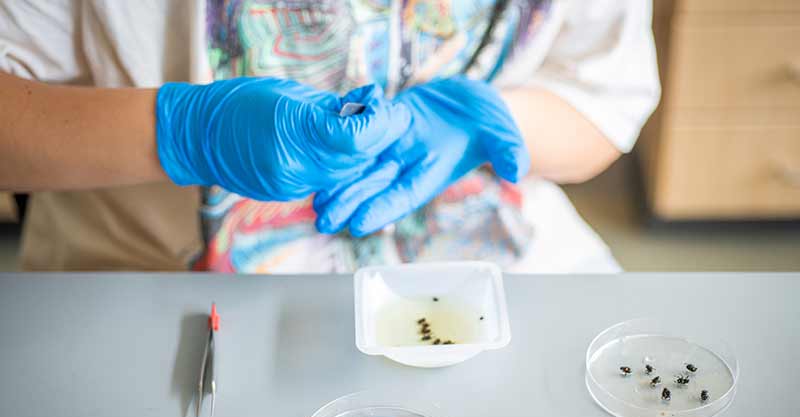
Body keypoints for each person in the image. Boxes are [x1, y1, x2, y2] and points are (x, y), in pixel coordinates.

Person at [0, 0, 659, 273]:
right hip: (151, 280)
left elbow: (602, 105)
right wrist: (184, 131)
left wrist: (491, 123)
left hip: (491, 266)